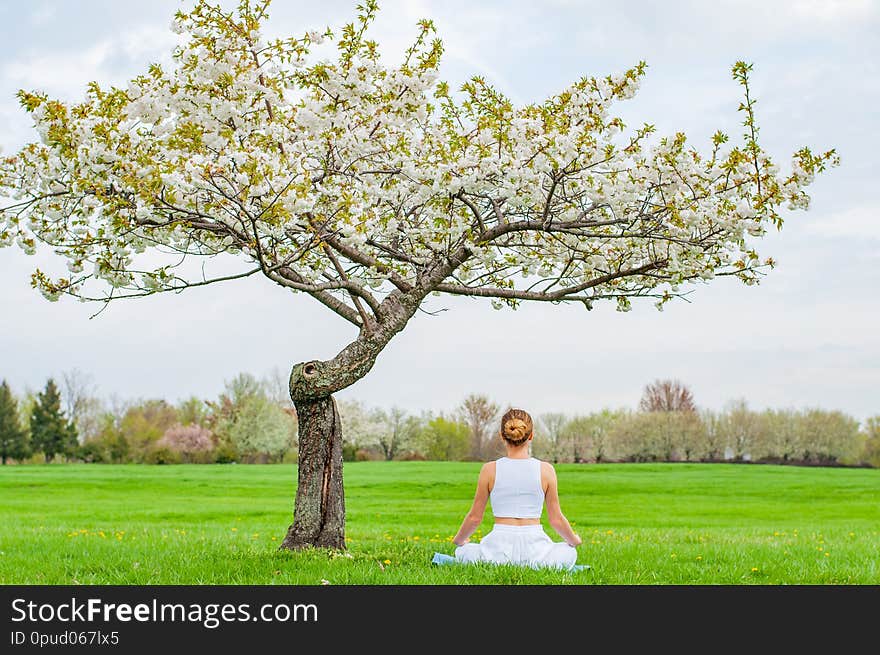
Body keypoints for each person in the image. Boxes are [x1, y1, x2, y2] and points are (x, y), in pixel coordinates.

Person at [449, 408, 582, 570]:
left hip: (498, 549)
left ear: (501, 436)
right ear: (531, 436)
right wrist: (574, 540)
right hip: (535, 549)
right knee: (569, 552)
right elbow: (556, 519)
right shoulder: (546, 470)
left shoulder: (489, 469)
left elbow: (475, 517)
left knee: (463, 551)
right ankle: (535, 565)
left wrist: (459, 541)